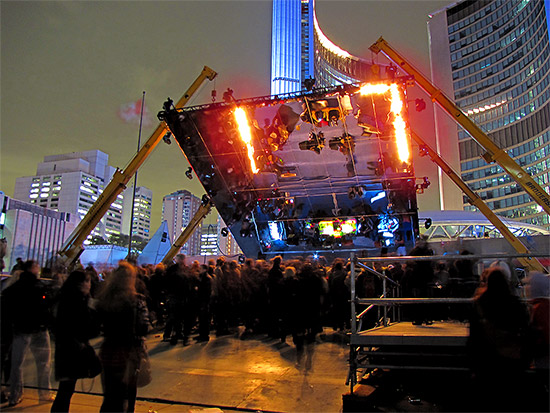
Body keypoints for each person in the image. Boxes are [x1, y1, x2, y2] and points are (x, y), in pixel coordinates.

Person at [468, 267, 529, 411]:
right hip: (512, 360)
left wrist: (473, 365)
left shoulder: (479, 304)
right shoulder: (515, 303)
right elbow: (525, 330)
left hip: (488, 360)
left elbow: (474, 337)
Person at [96, 262, 149, 413]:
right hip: (128, 354)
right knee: (127, 396)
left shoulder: (104, 300)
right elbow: (143, 328)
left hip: (108, 352)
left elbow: (95, 326)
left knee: (110, 397)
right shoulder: (136, 300)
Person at [2, 260, 54, 406]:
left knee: (17, 364)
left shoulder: (14, 288)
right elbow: (46, 305)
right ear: (33, 269)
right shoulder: (38, 286)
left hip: (21, 329)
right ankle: (44, 393)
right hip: (39, 328)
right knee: (43, 363)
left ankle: (15, 394)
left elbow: (7, 305)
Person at [51, 270, 100, 412]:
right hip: (73, 349)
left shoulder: (65, 298)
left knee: (66, 389)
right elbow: (87, 326)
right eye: (88, 281)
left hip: (66, 348)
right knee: (66, 391)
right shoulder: (77, 301)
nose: (90, 285)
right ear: (81, 284)